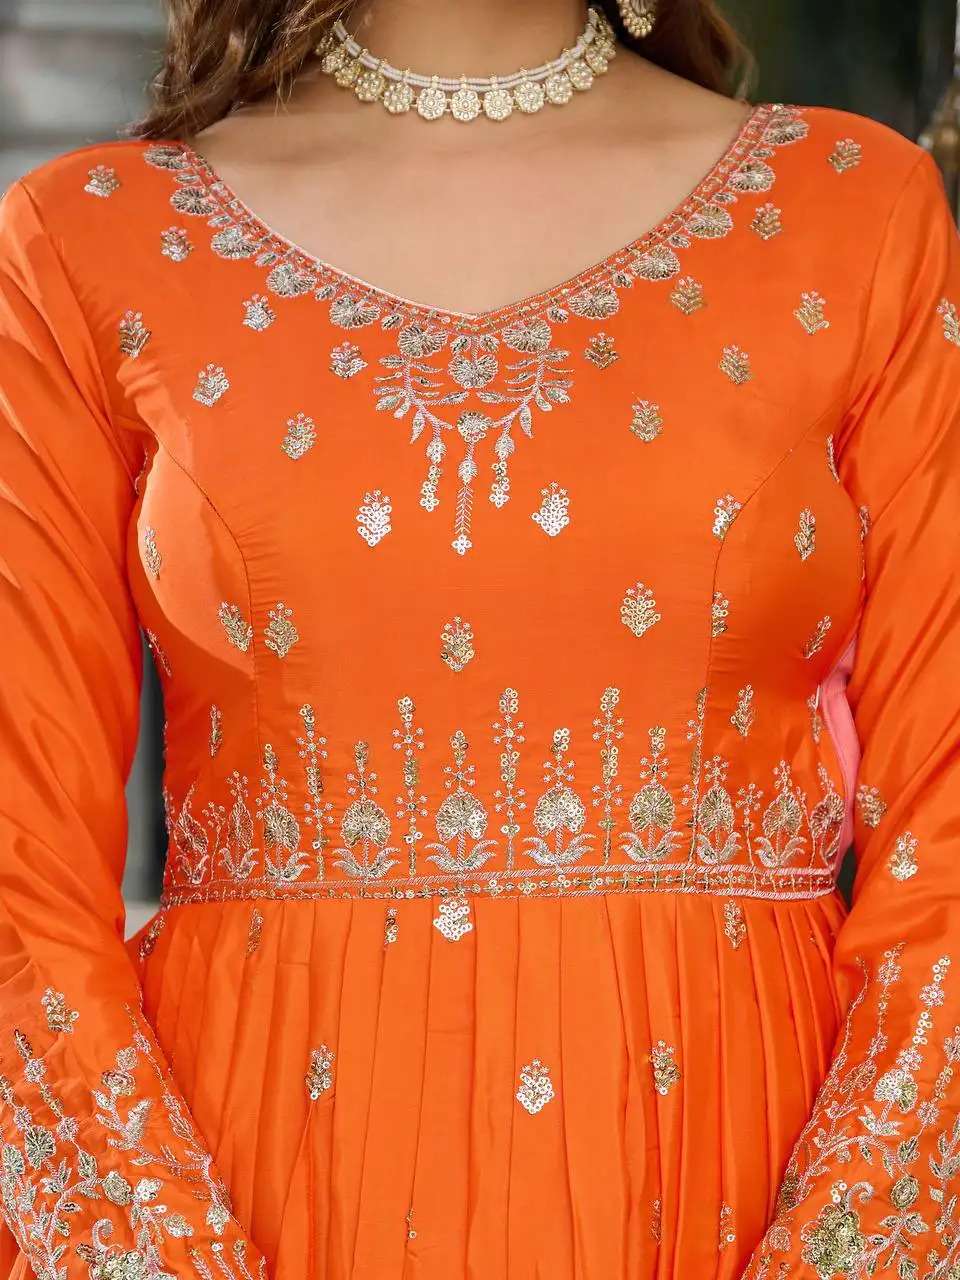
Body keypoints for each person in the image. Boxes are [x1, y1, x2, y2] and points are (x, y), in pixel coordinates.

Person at [0, 0, 958, 1276]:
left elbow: (947, 832)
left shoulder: (850, 205)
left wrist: (850, 1245)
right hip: (249, 1179)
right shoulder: (92, 235)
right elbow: (19, 880)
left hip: (741, 1175)